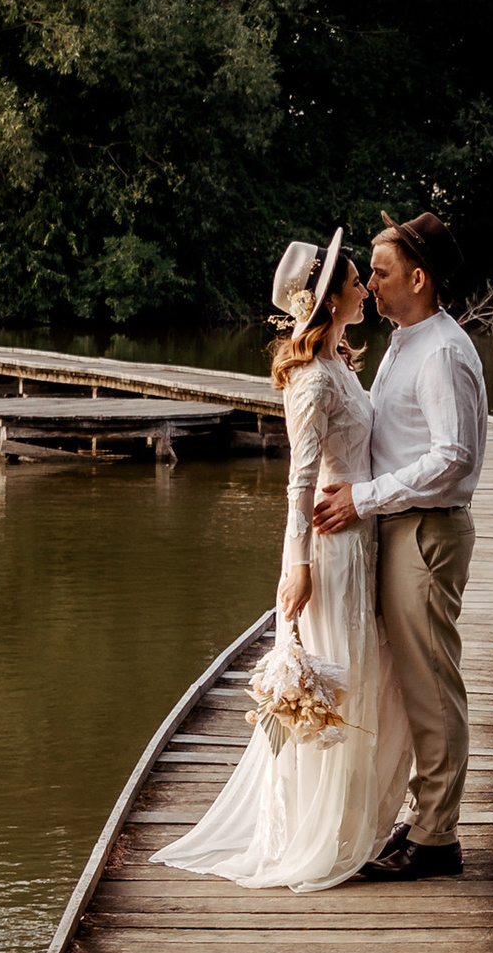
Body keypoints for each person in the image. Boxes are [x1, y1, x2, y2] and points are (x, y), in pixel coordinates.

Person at [151, 228, 410, 892]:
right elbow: (297, 484)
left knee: (359, 678)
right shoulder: (309, 382)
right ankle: (314, 833)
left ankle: (350, 823)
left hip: (359, 537)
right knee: (334, 686)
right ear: (326, 302)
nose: (364, 288)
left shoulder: (340, 366)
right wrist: (296, 566)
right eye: (355, 281)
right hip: (329, 551)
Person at [312, 210, 488, 882]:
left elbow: (451, 457)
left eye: (380, 274)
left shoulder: (441, 352)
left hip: (425, 531)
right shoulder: (407, 340)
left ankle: (438, 838)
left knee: (430, 683)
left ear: (419, 278)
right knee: (405, 682)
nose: (370, 285)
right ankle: (414, 821)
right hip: (399, 528)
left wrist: (365, 498)